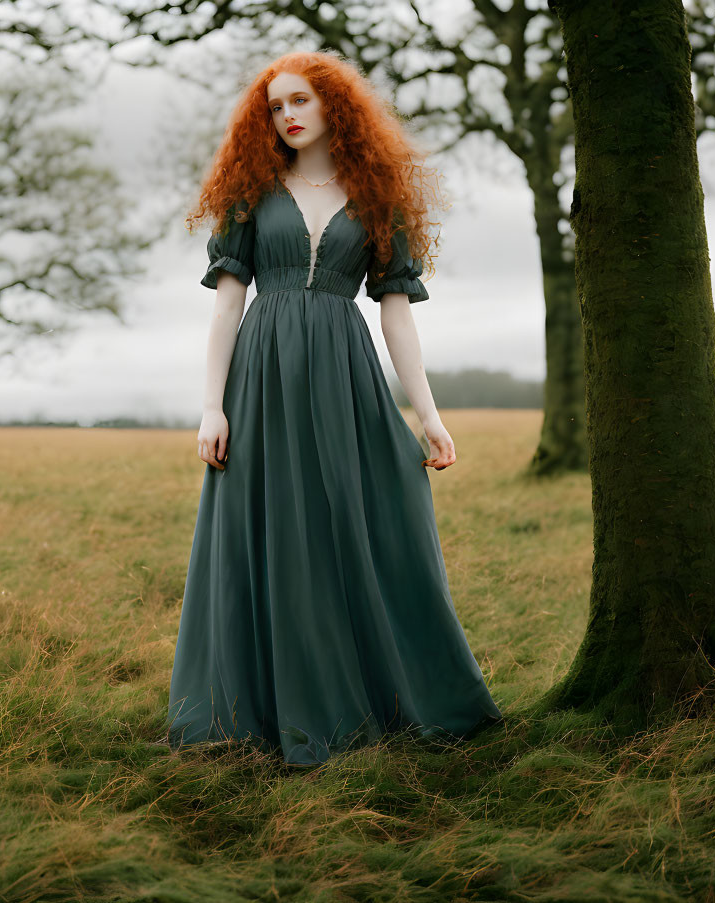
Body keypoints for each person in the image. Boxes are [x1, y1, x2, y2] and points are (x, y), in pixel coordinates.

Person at [165, 49, 504, 766]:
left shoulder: (377, 194)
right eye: (274, 106)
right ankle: (259, 710)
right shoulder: (251, 192)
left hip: (345, 376)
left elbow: (397, 318)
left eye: (298, 102)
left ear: (333, 108)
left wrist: (429, 413)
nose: (286, 116)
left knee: (356, 520)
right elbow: (227, 306)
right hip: (260, 377)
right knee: (267, 527)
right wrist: (210, 406)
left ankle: (377, 694)